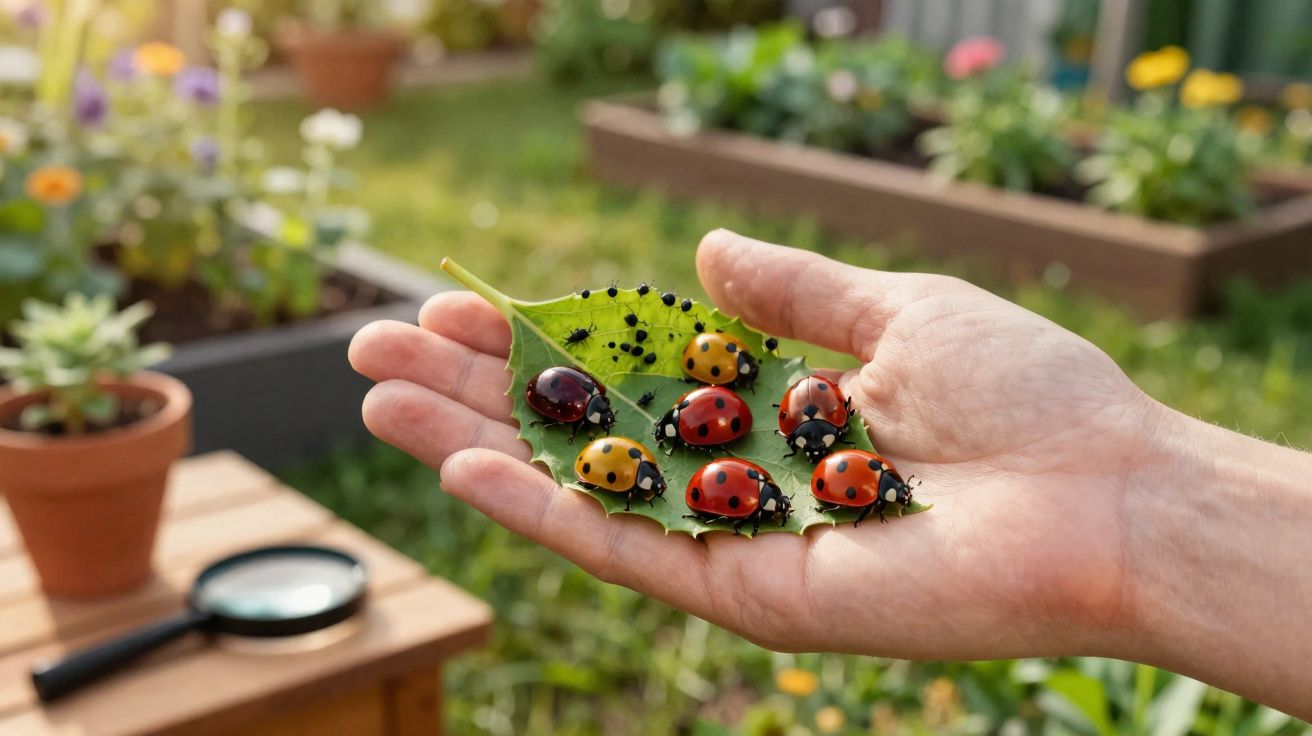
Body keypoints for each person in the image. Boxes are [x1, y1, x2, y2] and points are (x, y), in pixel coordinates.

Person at [348, 229, 1312, 720]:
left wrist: (1138, 500)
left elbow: (699, 435)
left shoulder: (743, 445)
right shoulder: (747, 444)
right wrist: (1141, 500)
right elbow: (701, 434)